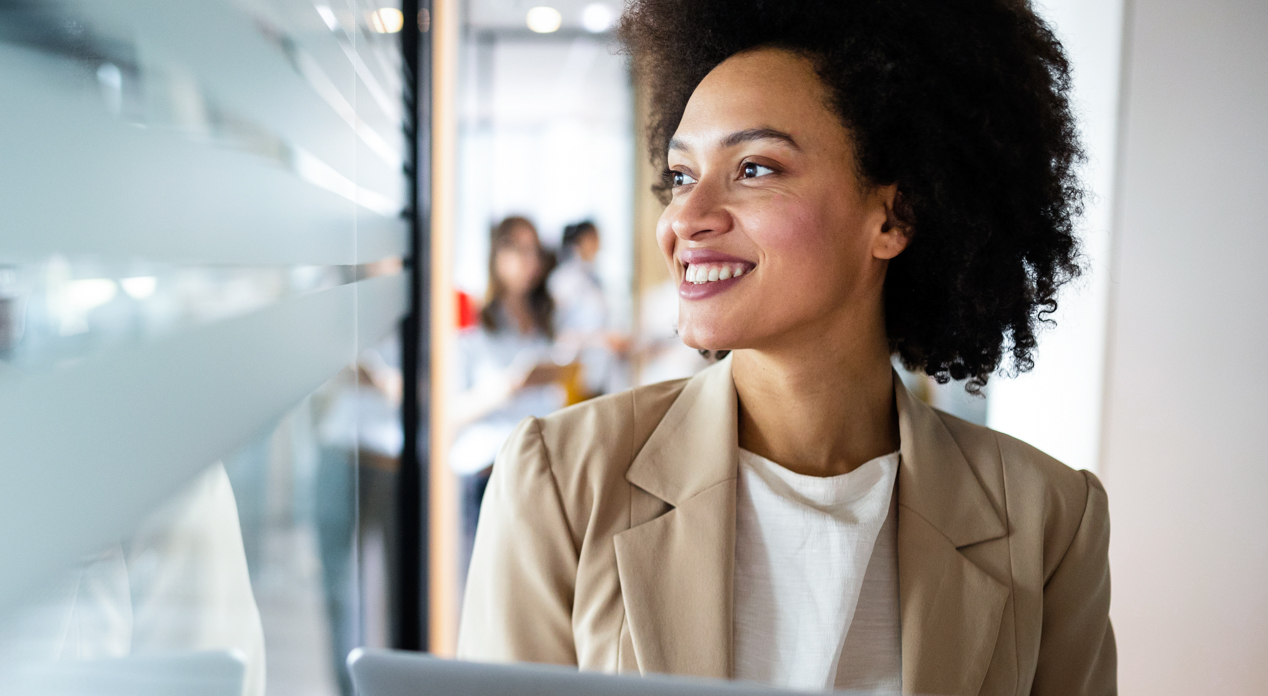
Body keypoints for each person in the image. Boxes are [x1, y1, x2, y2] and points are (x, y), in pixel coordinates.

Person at [458, 1, 1113, 695]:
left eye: (755, 168)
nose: (686, 217)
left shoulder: (1049, 522)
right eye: (682, 176)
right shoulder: (560, 483)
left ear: (894, 216)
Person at [448, 216, 566, 568]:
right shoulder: (474, 323)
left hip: (536, 474)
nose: (527, 260)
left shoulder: (545, 322)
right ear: (496, 253)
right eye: (516, 248)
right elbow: (449, 411)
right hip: (486, 472)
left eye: (534, 250)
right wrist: (507, 386)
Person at [547, 220, 629, 399]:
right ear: (580, 242)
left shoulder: (596, 280)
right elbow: (556, 331)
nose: (599, 244)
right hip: (573, 372)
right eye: (594, 238)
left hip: (600, 373)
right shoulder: (563, 280)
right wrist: (602, 340)